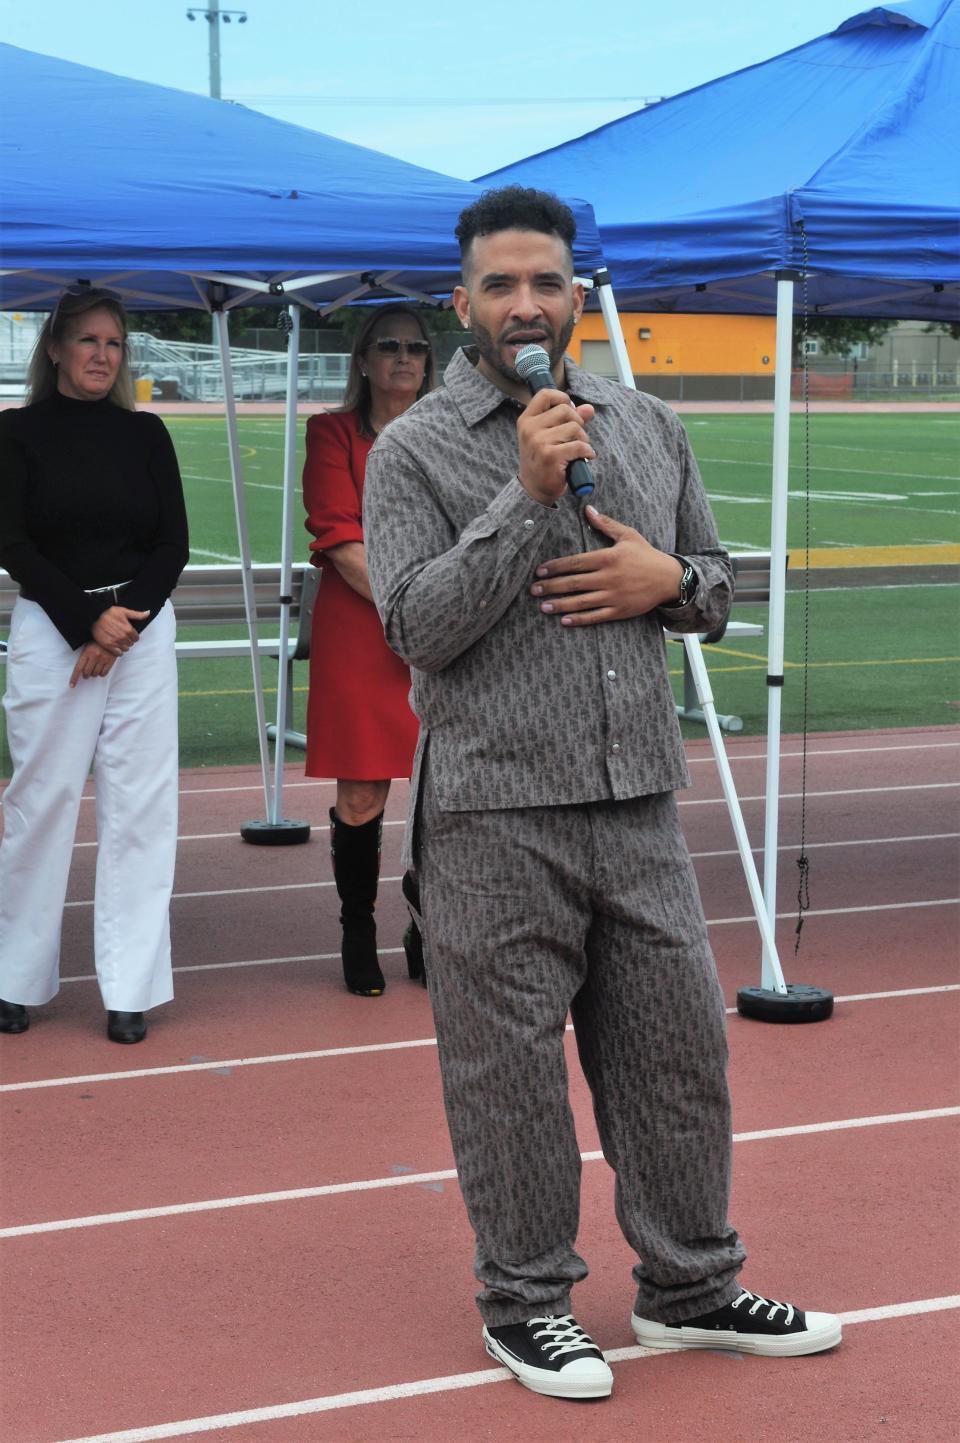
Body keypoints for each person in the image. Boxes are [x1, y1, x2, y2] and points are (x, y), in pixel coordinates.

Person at [362, 187, 842, 1401]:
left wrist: (665, 577)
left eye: (549, 283)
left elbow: (719, 585)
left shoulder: (643, 422)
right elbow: (416, 626)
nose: (528, 304)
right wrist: (523, 498)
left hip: (637, 802)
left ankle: (689, 1288)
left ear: (577, 296)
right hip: (493, 812)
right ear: (464, 301)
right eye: (502, 285)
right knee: (509, 1078)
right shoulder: (415, 448)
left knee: (678, 1058)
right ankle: (524, 1303)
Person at [0, 288, 189, 1045]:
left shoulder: (146, 434)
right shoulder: (16, 434)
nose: (102, 355)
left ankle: (131, 987)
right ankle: (15, 978)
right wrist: (86, 621)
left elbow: (171, 544)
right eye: (87, 341)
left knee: (141, 809)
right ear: (55, 348)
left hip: (139, 632)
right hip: (53, 631)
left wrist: (120, 627)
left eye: (113, 342)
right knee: (38, 801)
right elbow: (11, 543)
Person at [302, 305, 433, 996]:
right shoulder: (332, 433)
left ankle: (427, 921)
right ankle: (359, 927)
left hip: (444, 626)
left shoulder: (453, 433)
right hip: (363, 628)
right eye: (389, 345)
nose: (404, 357)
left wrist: (444, 614)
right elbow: (340, 536)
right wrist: (417, 610)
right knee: (361, 790)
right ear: (362, 360)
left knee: (444, 787)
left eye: (416, 346)